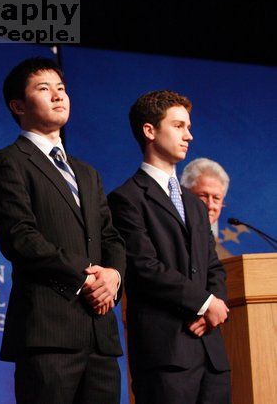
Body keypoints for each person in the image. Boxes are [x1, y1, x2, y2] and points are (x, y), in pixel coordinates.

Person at [0, 57, 125, 404]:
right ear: (18, 105)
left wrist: (114, 276)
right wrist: (87, 278)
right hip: (48, 331)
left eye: (61, 89)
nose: (58, 96)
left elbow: (111, 237)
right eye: (44, 89)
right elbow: (21, 238)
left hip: (100, 332)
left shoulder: (86, 173)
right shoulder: (7, 162)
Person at [108, 91, 231, 404]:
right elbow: (144, 267)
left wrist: (214, 306)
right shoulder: (127, 198)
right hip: (166, 354)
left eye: (188, 127)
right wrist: (204, 302)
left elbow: (213, 266)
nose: (188, 135)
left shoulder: (195, 204)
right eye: (178, 126)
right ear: (150, 131)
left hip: (211, 353)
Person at [181, 157, 232, 258]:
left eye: (216, 198)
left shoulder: (226, 258)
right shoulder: (169, 236)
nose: (210, 205)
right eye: (203, 196)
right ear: (184, 196)